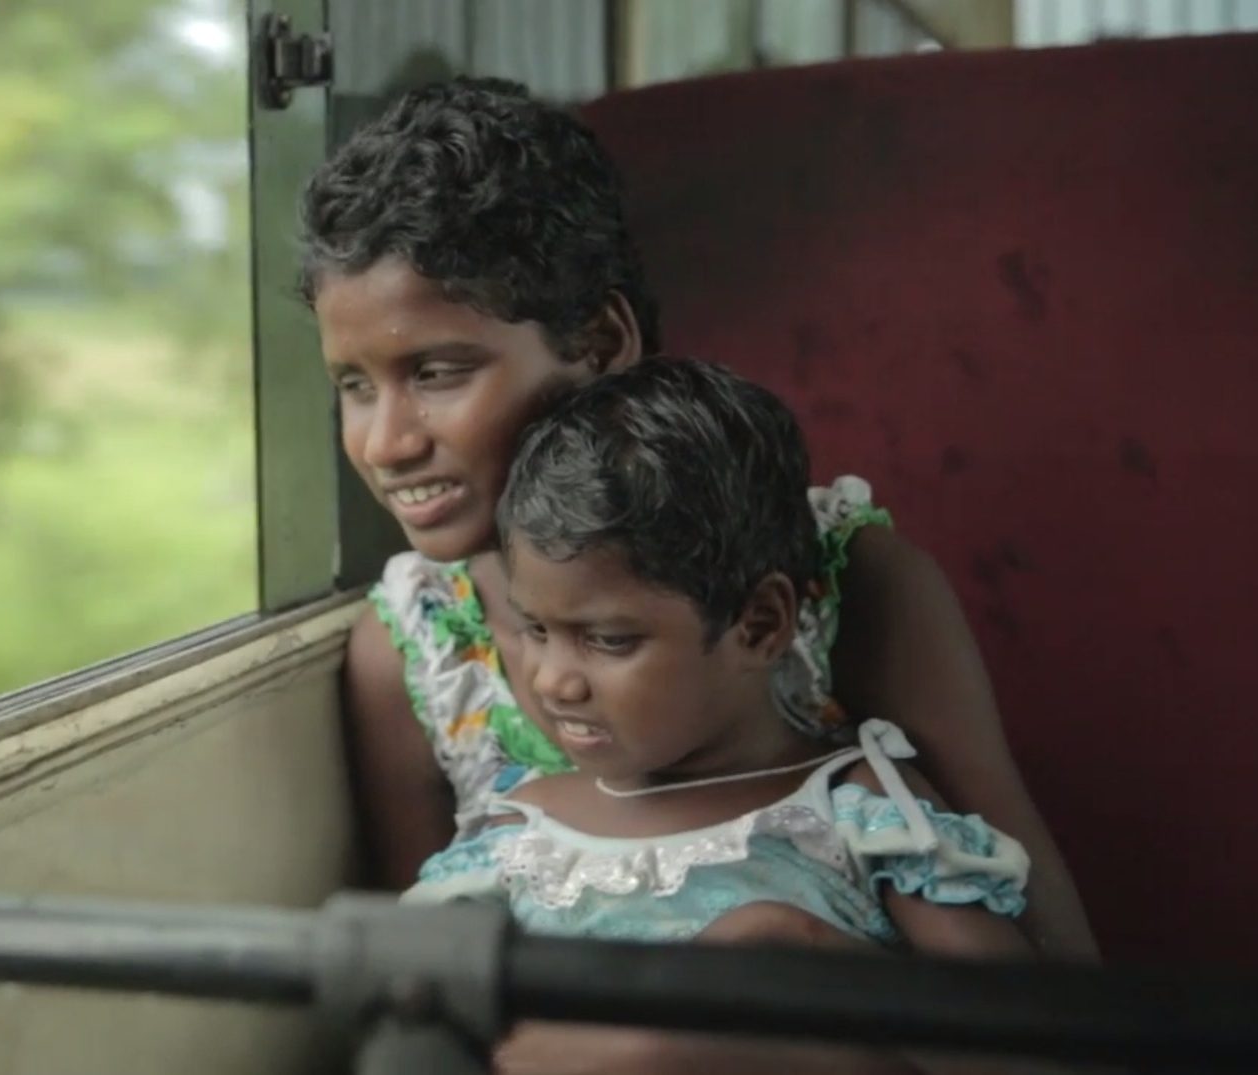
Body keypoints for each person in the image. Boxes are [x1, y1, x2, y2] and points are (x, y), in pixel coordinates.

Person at [299, 76, 1096, 962]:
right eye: (353, 385)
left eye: (439, 372)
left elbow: (1031, 930)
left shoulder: (840, 578)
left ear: (602, 343)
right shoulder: (417, 652)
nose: (386, 441)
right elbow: (427, 971)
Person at [404, 358, 1034, 1073]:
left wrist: (800, 959)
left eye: (608, 639)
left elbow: (1032, 1049)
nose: (553, 680)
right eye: (535, 630)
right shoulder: (516, 840)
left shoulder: (860, 818)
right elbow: (411, 1031)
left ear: (759, 625)